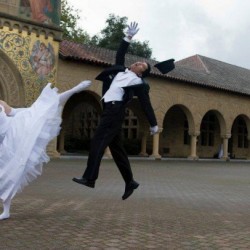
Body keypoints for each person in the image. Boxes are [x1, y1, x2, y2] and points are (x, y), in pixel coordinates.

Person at [73, 22, 159, 200]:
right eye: (139, 62)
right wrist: (128, 38)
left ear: (141, 73)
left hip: (114, 112)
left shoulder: (138, 83)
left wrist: (153, 123)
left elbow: (146, 103)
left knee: (97, 141)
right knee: (117, 150)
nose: (138, 63)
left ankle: (90, 178)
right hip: (108, 110)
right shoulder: (120, 70)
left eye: (142, 65)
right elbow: (120, 54)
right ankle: (130, 181)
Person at [0, 80, 91, 220]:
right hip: (5, 141)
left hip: (13, 139)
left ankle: (6, 210)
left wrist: (75, 89)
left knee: (13, 173)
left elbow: (17, 111)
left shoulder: (2, 104)